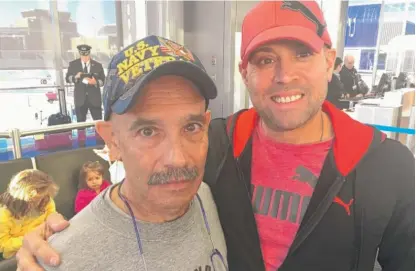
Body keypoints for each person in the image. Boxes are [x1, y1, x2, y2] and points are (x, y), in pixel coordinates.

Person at [16, 1, 415, 271]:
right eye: (265, 59)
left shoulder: (387, 167)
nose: (284, 75)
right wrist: (49, 243)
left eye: (303, 53)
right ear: (245, 73)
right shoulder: (217, 144)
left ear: (329, 60)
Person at [19, 35, 227, 271]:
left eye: (191, 127)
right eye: (148, 131)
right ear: (112, 140)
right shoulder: (65, 259)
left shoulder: (206, 195)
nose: (177, 159)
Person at [0, 170, 58, 259]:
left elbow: (51, 218)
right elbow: (3, 245)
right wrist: (31, 239)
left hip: (46, 241)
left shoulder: (46, 201)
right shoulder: (4, 215)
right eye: (34, 201)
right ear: (21, 199)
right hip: (18, 253)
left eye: (42, 198)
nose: (39, 203)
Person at [66, 44, 106, 122]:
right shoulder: (73, 64)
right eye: (82, 55)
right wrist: (75, 77)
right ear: (80, 54)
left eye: (86, 55)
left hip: (95, 99)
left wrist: (95, 82)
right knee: (80, 123)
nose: (84, 58)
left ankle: (98, 135)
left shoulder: (98, 65)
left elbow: (103, 81)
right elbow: (67, 78)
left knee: (98, 122)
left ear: (89, 54)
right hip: (80, 99)